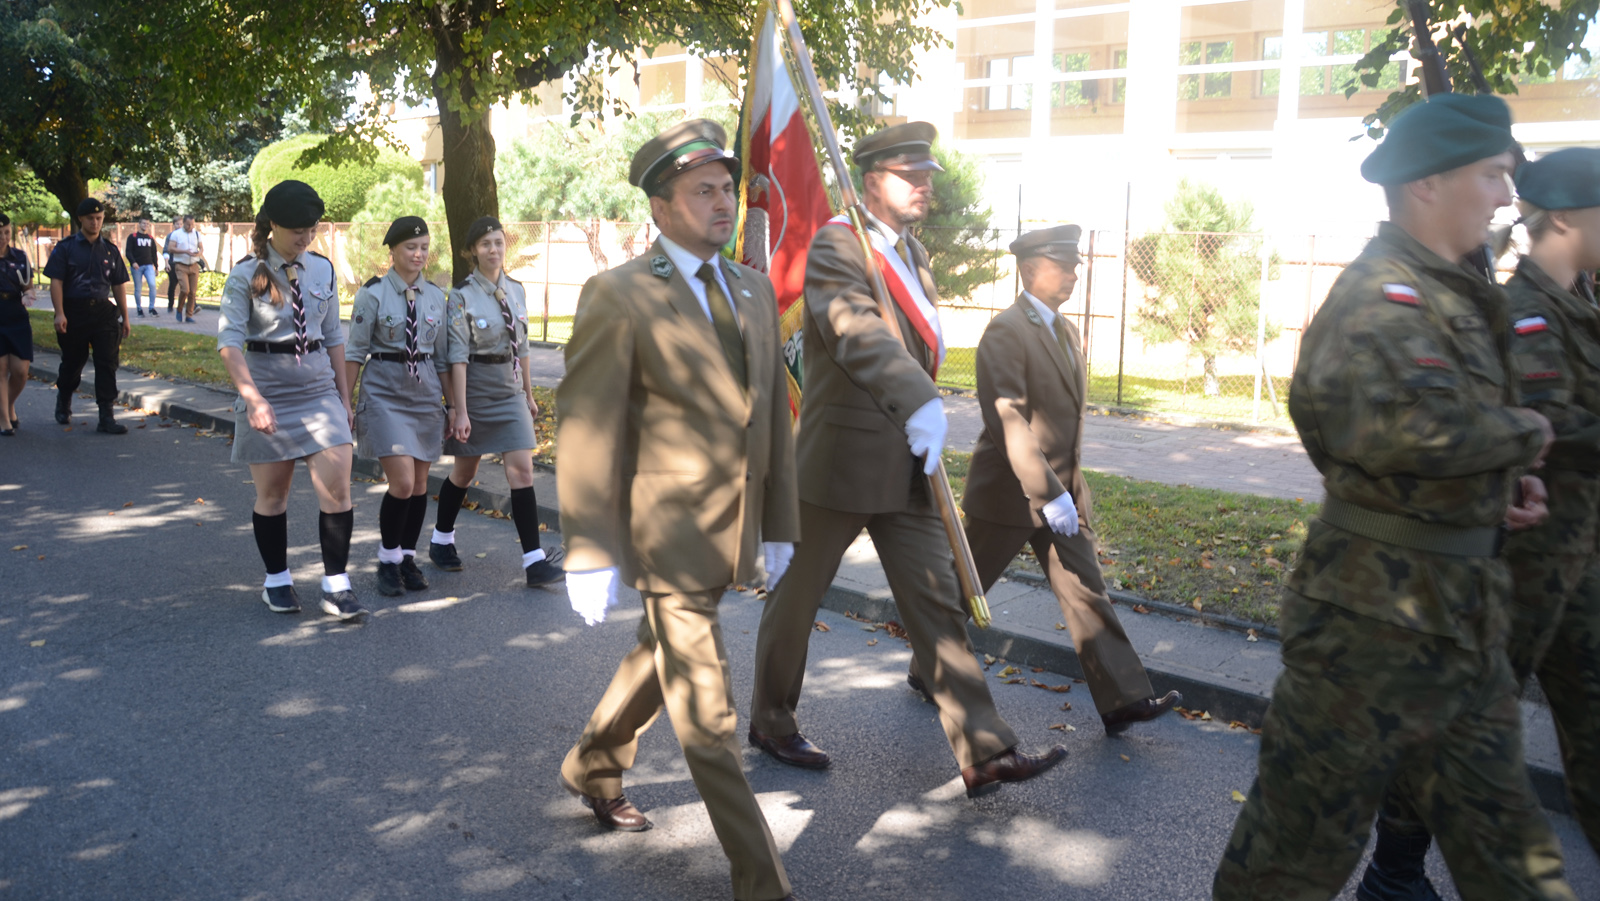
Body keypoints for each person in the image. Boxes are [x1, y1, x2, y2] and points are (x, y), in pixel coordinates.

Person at [1213, 94, 1577, 900]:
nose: (1508, 197)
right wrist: (1520, 436)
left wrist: (1493, 492)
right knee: (1292, 856)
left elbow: (1442, 434)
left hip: (1460, 623)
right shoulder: (1381, 294)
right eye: (1492, 175)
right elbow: (1387, 428)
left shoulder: (1453, 295)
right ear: (1428, 185)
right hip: (1366, 629)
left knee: (1515, 855)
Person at [747, 121, 1065, 798]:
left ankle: (983, 749)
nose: (924, 186)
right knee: (796, 598)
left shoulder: (913, 254)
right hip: (839, 462)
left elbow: (907, 338)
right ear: (870, 183)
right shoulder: (838, 243)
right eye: (909, 176)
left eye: (927, 176)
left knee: (937, 599)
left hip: (907, 462)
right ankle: (772, 719)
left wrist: (918, 412)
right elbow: (855, 330)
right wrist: (921, 399)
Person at [556, 119, 799, 901]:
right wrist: (588, 546)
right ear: (661, 207)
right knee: (710, 711)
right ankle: (762, 881)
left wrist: (782, 522)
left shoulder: (753, 288)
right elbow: (589, 424)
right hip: (664, 533)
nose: (723, 202)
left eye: (727, 188)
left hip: (731, 532)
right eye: (703, 191)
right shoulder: (621, 294)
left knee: (654, 659)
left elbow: (772, 421)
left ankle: (592, 763)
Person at [1354, 147, 1600, 899]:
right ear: (1563, 218)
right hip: (1516, 565)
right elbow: (1547, 426)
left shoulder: (1582, 305)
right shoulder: (1525, 316)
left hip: (1579, 566)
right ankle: (1393, 871)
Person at [957, 224, 1181, 734]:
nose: (1075, 274)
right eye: (1065, 265)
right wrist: (1046, 492)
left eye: (1077, 265)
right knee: (962, 592)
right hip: (1009, 494)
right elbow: (1008, 417)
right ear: (1032, 270)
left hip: (1063, 496)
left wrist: (1068, 490)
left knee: (1086, 590)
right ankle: (930, 668)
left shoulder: (1067, 330)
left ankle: (1123, 698)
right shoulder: (1005, 331)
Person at [217, 180, 365, 622]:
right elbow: (228, 343)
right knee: (274, 495)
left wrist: (344, 397)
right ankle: (276, 579)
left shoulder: (322, 269)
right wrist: (253, 399)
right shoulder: (246, 274)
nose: (306, 238)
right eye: (297, 230)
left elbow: (334, 336)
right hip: (268, 390)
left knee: (338, 488)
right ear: (273, 225)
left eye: (312, 229)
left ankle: (336, 585)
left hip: (318, 389)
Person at [424, 216, 561, 588]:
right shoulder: (461, 297)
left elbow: (525, 348)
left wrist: (529, 395)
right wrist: (461, 409)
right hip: (477, 390)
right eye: (485, 244)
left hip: (510, 390)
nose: (493, 250)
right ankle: (441, 540)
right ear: (472, 250)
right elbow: (457, 357)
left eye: (498, 242)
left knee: (522, 472)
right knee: (465, 473)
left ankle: (534, 563)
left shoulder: (516, 290)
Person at [344, 216, 464, 598]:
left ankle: (407, 557)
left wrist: (453, 407)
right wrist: (343, 403)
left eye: (425, 248)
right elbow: (354, 352)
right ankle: (387, 559)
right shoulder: (373, 293)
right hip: (384, 391)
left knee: (419, 487)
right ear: (392, 251)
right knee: (402, 482)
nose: (418, 254)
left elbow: (443, 359)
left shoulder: (435, 298)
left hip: (425, 392)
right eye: (411, 248)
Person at [44, 198, 131, 434]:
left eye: (99, 218)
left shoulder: (110, 250)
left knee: (107, 363)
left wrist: (125, 317)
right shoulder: (66, 247)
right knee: (73, 361)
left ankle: (106, 416)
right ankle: (64, 399)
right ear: (80, 219)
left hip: (103, 312)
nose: (95, 222)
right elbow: (56, 282)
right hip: (74, 312)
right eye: (91, 218)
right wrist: (59, 313)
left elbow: (119, 285)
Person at [0, 213, 33, 436]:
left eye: (6, 232)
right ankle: (4, 420)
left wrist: (29, 294)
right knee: (0, 370)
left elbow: (27, 285)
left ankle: (9, 404)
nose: (3, 237)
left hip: (16, 315)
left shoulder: (19, 256)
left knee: (20, 371)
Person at [124, 219, 161, 318]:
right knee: (138, 288)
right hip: (137, 267)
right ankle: (139, 308)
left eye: (147, 224)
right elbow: (128, 252)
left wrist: (156, 267)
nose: (145, 225)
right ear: (139, 224)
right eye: (144, 223)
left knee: (152, 285)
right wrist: (133, 262)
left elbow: (154, 253)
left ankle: (151, 308)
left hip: (149, 265)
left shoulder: (150, 238)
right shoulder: (133, 237)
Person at [169, 214, 200, 322]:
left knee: (192, 292)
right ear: (184, 223)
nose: (190, 227)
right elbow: (171, 248)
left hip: (194, 265)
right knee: (185, 289)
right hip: (181, 265)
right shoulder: (176, 234)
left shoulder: (196, 233)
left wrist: (199, 252)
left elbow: (201, 247)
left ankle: (189, 315)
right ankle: (179, 309)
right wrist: (185, 251)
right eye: (188, 225)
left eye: (192, 224)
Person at [162, 217, 181, 314]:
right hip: (173, 263)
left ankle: (193, 305)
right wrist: (166, 263)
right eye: (177, 224)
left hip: (183, 264)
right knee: (172, 285)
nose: (180, 226)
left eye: (181, 224)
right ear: (174, 225)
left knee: (186, 285)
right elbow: (166, 251)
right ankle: (170, 305)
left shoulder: (186, 236)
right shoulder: (170, 236)